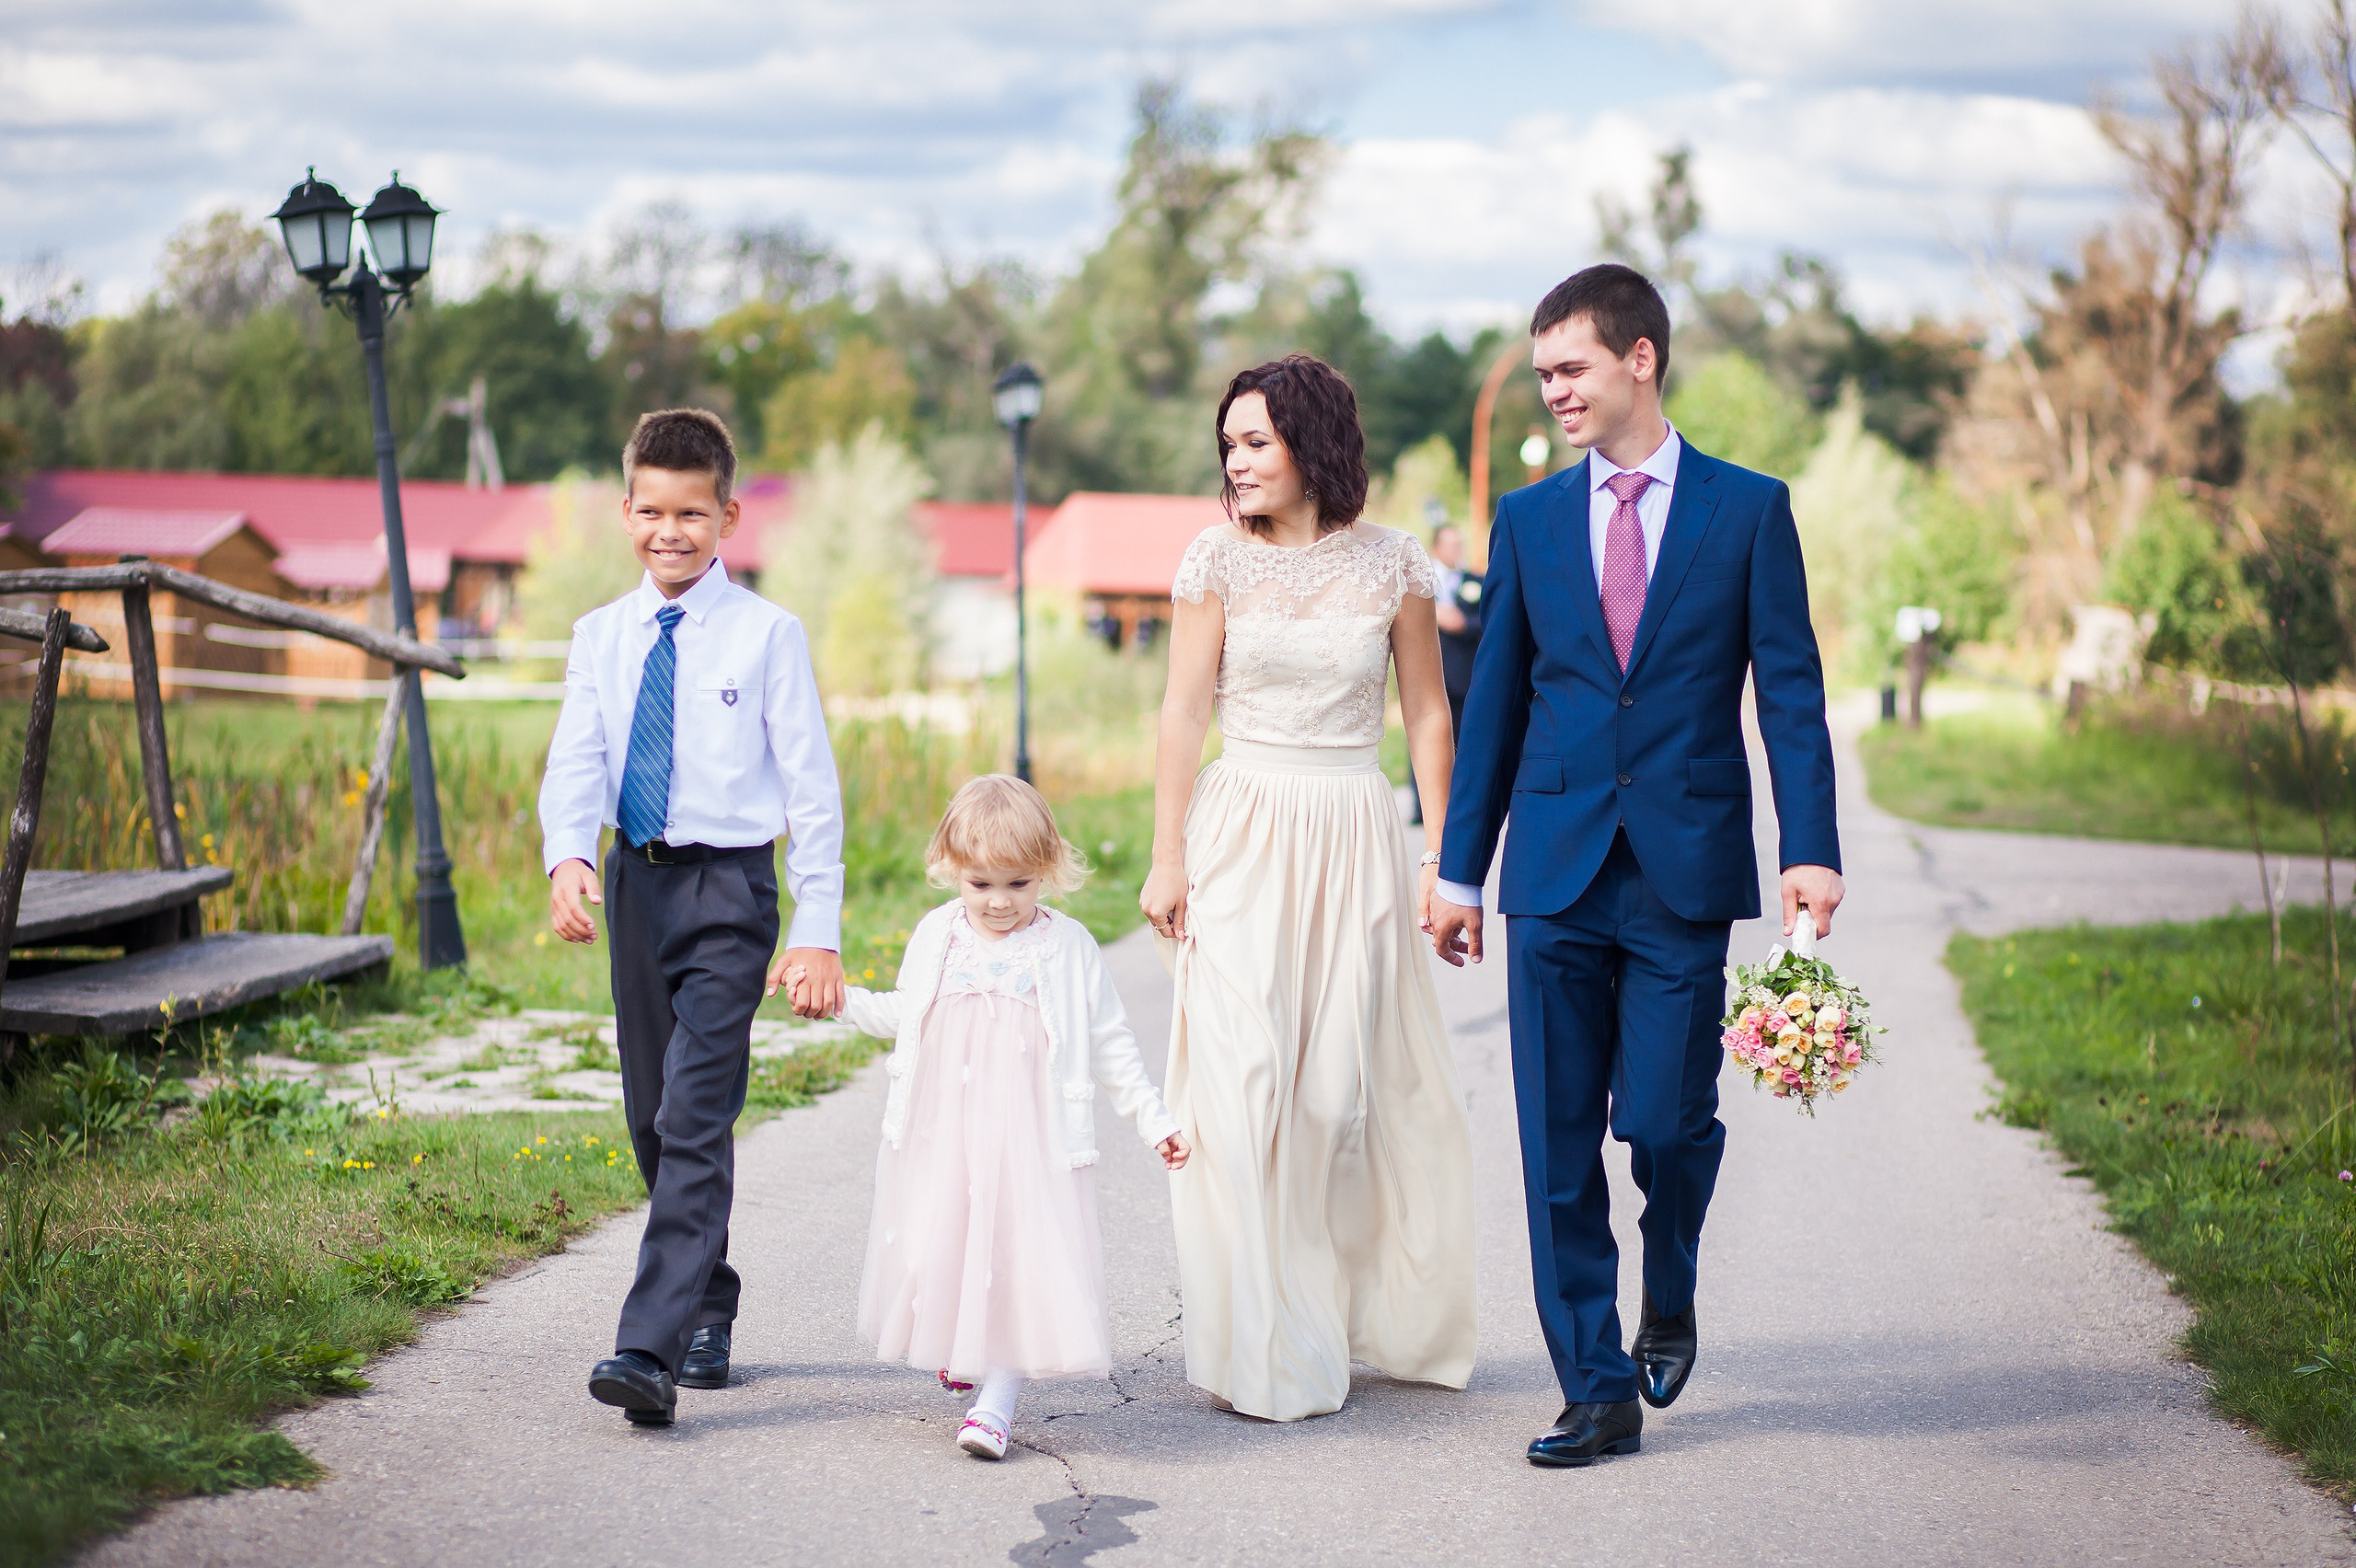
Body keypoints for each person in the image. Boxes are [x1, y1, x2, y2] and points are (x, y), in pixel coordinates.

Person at [1428, 265, 1842, 1467]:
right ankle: (1595, 1385)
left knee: (1662, 1123)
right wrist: (1460, 871)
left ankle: (1670, 1280)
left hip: (1683, 867)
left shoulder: (1748, 510)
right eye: (1545, 370)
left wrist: (1808, 846)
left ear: (1641, 359)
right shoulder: (1531, 522)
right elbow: (1494, 709)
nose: (1553, 389)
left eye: (1571, 367)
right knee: (1558, 1143)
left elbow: (1794, 693)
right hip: (1552, 870)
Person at [1144, 353, 1477, 1423]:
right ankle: (1258, 1340)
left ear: (1312, 442)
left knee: (1332, 1098)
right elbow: (1182, 714)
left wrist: (1443, 861)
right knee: (1242, 1088)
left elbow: (1428, 714)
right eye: (1228, 444)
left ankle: (1328, 1310)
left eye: (1255, 442)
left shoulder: (1396, 568)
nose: (1236, 462)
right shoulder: (1214, 562)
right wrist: (1167, 852)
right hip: (1241, 826)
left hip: (1352, 830)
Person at [540, 408, 849, 1429]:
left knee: (693, 1115)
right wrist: (569, 855)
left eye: (691, 513)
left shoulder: (767, 634)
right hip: (638, 885)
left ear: (728, 515)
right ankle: (708, 1301)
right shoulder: (599, 637)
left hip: (730, 894)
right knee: (648, 1116)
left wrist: (818, 923)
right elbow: (577, 756)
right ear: (626, 509)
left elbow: (811, 787)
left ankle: (647, 1348)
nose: (669, 531)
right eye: (650, 511)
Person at [801, 776, 1190, 1459]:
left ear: (1045, 872)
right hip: (947, 1129)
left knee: (1017, 1249)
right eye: (981, 884)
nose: (1000, 902)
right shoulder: (938, 935)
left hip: (1031, 1135)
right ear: (952, 869)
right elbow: (905, 1015)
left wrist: (1153, 1119)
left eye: (1018, 883)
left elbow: (1109, 1043)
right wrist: (839, 1002)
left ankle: (998, 1399)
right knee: (946, 1237)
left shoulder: (1067, 948)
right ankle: (965, 1342)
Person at [1431, 522, 1484, 739]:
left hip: (1465, 680)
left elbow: (1489, 620)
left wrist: (1463, 624)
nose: (1457, 550)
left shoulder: (1477, 581)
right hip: (1430, 678)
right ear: (1436, 548)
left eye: (1459, 545)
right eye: (1451, 545)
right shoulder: (1418, 583)